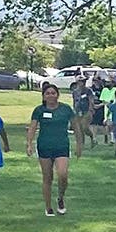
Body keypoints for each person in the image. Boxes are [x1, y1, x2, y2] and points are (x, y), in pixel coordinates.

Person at [27, 81, 75, 216]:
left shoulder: (65, 109)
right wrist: (29, 144)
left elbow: (75, 125)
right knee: (47, 177)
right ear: (43, 96)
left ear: (58, 95)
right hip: (44, 147)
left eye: (53, 93)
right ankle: (48, 207)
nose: (51, 96)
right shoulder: (39, 110)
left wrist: (79, 143)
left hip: (62, 146)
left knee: (63, 174)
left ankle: (60, 197)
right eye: (47, 93)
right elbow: (32, 127)